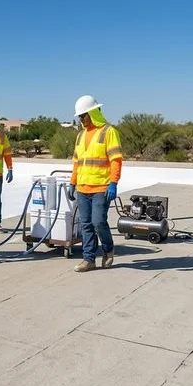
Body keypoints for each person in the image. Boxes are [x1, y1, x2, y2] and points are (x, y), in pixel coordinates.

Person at [67, 95, 123, 272]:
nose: (81, 119)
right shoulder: (80, 135)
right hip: (83, 187)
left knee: (98, 221)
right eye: (79, 116)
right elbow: (77, 162)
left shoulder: (109, 132)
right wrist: (72, 182)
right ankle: (88, 259)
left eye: (83, 115)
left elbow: (116, 159)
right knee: (86, 225)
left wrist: (113, 182)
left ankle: (108, 248)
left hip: (101, 187)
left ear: (93, 113)